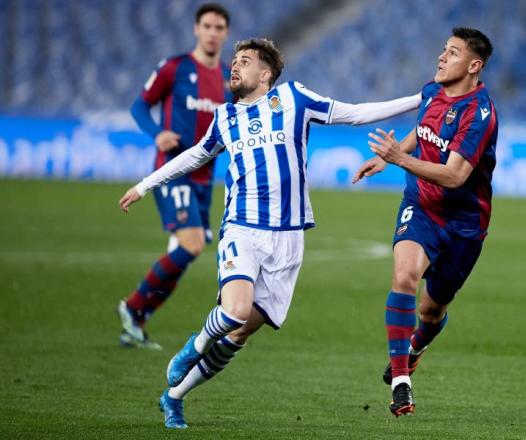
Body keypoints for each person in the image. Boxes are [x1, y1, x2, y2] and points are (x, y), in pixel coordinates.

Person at [119, 38, 421, 428]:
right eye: (234, 61)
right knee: (234, 311)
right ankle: (192, 347)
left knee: (241, 333)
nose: (234, 67)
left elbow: (356, 113)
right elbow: (196, 154)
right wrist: (145, 185)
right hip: (242, 227)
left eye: (244, 61)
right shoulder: (225, 117)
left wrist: (419, 99)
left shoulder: (294, 99)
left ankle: (174, 396)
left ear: (265, 75)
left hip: (289, 238)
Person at [352, 27, 498, 417]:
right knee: (404, 278)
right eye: (443, 50)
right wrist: (389, 155)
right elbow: (423, 131)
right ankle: (401, 383)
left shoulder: (479, 114)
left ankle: (415, 349)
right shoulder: (432, 92)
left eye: (451, 53)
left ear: (473, 65)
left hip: (465, 224)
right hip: (421, 207)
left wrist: (398, 159)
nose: (441, 57)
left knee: (431, 312)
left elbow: (454, 176)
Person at [117, 3, 233, 349]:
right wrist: (157, 133)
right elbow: (140, 105)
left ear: (225, 33)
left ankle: (136, 323)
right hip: (172, 171)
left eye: (219, 27)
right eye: (207, 26)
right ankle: (133, 305)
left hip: (204, 177)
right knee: (192, 244)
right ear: (196, 29)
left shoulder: (228, 79)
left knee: (186, 253)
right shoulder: (175, 68)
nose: (213, 32)